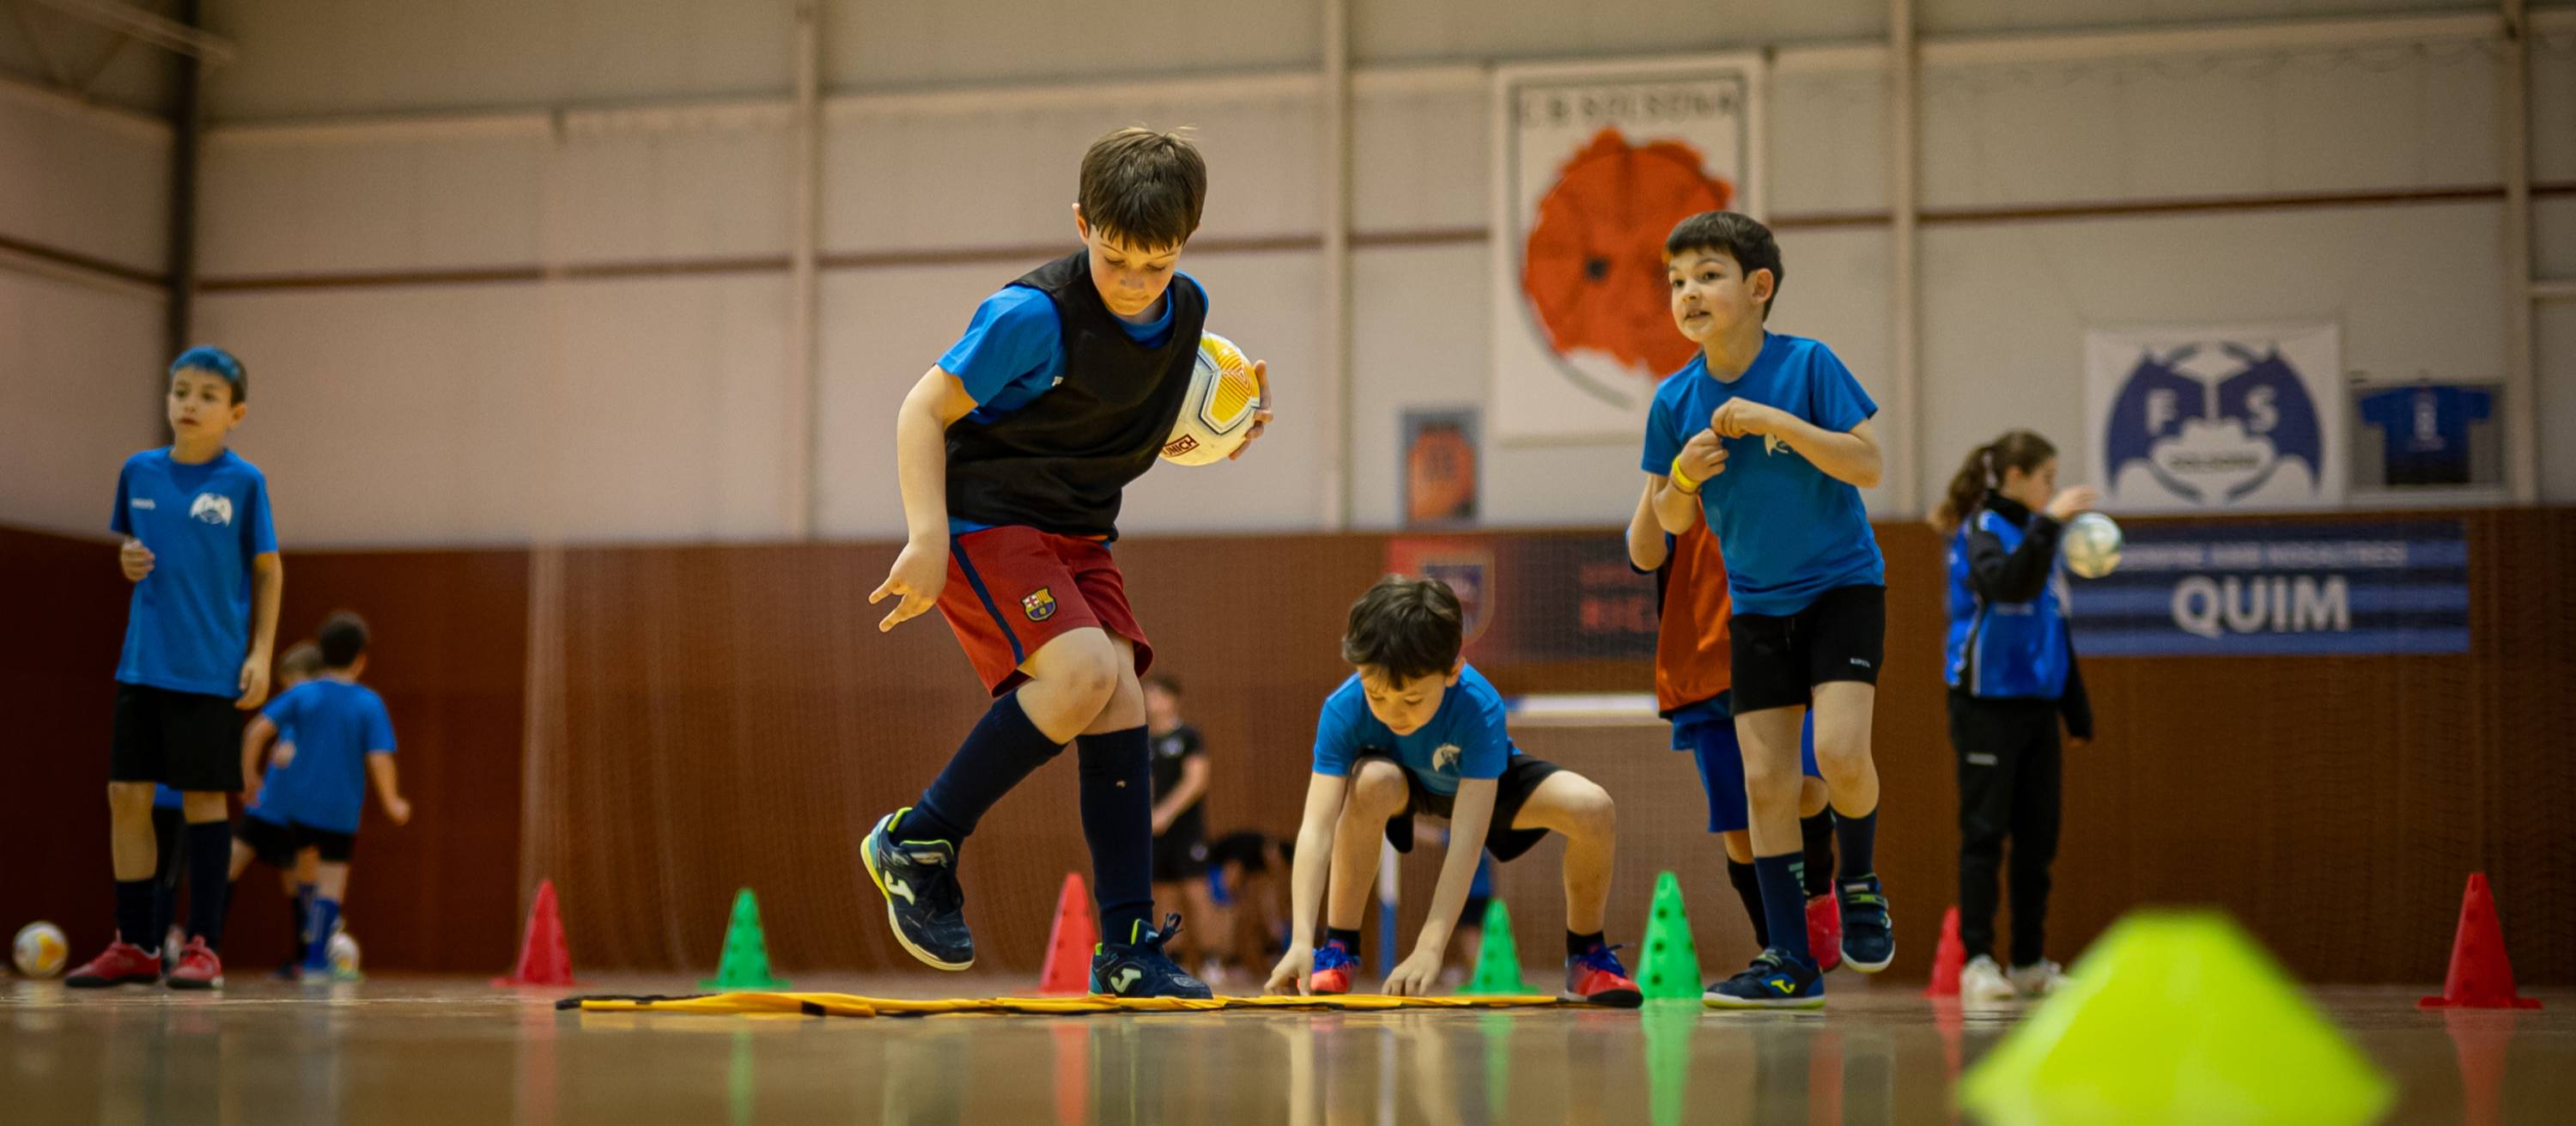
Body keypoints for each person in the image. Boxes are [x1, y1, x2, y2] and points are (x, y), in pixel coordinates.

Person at [856, 126, 1272, 1000]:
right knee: (1083, 674)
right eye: (1114, 257)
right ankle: (920, 838)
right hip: (988, 518)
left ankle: (1126, 949)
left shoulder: (1188, 313)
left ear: (1184, 246)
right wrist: (926, 537)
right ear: (1083, 223)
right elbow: (922, 409)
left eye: (1153, 264)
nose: (1131, 282)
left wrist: (1222, 433)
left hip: (1080, 532)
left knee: (1119, 698)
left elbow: (1131, 422)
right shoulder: (1030, 316)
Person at [1643, 212, 1890, 1009]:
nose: (1688, 293)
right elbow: (1669, 526)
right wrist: (1681, 477)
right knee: (1766, 782)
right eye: (1677, 281)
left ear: (1758, 288)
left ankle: (1858, 881)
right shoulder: (1674, 398)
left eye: (1707, 275)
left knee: (1845, 756)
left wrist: (1776, 422)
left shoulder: (1808, 364)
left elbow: (1870, 464)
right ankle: (1789, 958)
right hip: (1756, 607)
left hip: (1842, 589)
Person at [1266, 576, 1641, 1006]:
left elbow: (1466, 840)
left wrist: (1430, 946)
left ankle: (1587, 957)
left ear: (1453, 670)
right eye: (1377, 695)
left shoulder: (1479, 706)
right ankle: (1337, 948)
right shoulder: (1343, 708)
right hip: (1402, 783)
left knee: (1593, 808)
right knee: (1370, 781)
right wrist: (1298, 938)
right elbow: (1316, 827)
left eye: (1410, 699)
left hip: (1479, 784)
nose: (1393, 712)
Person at [69, 346, 283, 990]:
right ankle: (134, 942)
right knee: (126, 796)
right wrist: (128, 557)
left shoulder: (245, 482)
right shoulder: (138, 471)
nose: (190, 404)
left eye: (207, 395)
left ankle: (205, 945)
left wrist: (262, 653)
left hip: (209, 666)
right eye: (180, 390)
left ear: (235, 412)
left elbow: (269, 569)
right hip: (142, 664)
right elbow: (134, 547)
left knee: (201, 800)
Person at [1624, 487, 1844, 967]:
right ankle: (1779, 952)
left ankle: (1819, 891)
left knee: (1807, 787)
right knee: (1740, 828)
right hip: (1703, 671)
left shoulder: (1770, 461)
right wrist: (1658, 473)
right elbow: (1642, 554)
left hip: (1780, 655)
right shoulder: (1677, 480)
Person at [1932, 431, 2097, 1000]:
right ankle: (1977, 959)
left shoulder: (2037, 535)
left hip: (2037, 706)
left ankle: (2028, 961)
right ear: (2018, 476)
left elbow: (2053, 622)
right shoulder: (1981, 530)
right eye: (2047, 478)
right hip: (1984, 703)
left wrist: (2076, 711)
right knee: (1984, 834)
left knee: (2037, 839)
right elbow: (2007, 585)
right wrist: (2051, 521)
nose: (2053, 489)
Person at [235, 613, 412, 977]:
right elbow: (379, 758)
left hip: (298, 808)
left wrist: (249, 777)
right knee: (331, 881)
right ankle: (315, 958)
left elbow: (255, 732)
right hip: (340, 812)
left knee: (302, 871)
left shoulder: (303, 694)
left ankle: (305, 949)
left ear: (322, 653)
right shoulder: (369, 703)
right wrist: (393, 801)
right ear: (361, 658)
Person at [229, 640, 332, 977]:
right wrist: (249, 775)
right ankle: (203, 943)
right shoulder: (290, 713)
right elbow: (256, 735)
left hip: (294, 816)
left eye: (294, 684)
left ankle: (306, 957)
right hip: (265, 810)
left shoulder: (321, 715)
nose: (290, 693)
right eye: (286, 686)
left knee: (299, 886)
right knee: (227, 866)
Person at [1143, 674, 1217, 964]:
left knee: (1197, 894)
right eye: (1148, 695)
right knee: (1163, 895)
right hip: (1154, 831)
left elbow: (1197, 781)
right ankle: (1172, 960)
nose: (1151, 701)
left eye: (1157, 695)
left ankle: (1213, 961)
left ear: (1173, 700)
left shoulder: (1188, 736)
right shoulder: (1144, 739)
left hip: (1187, 831)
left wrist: (1165, 813)